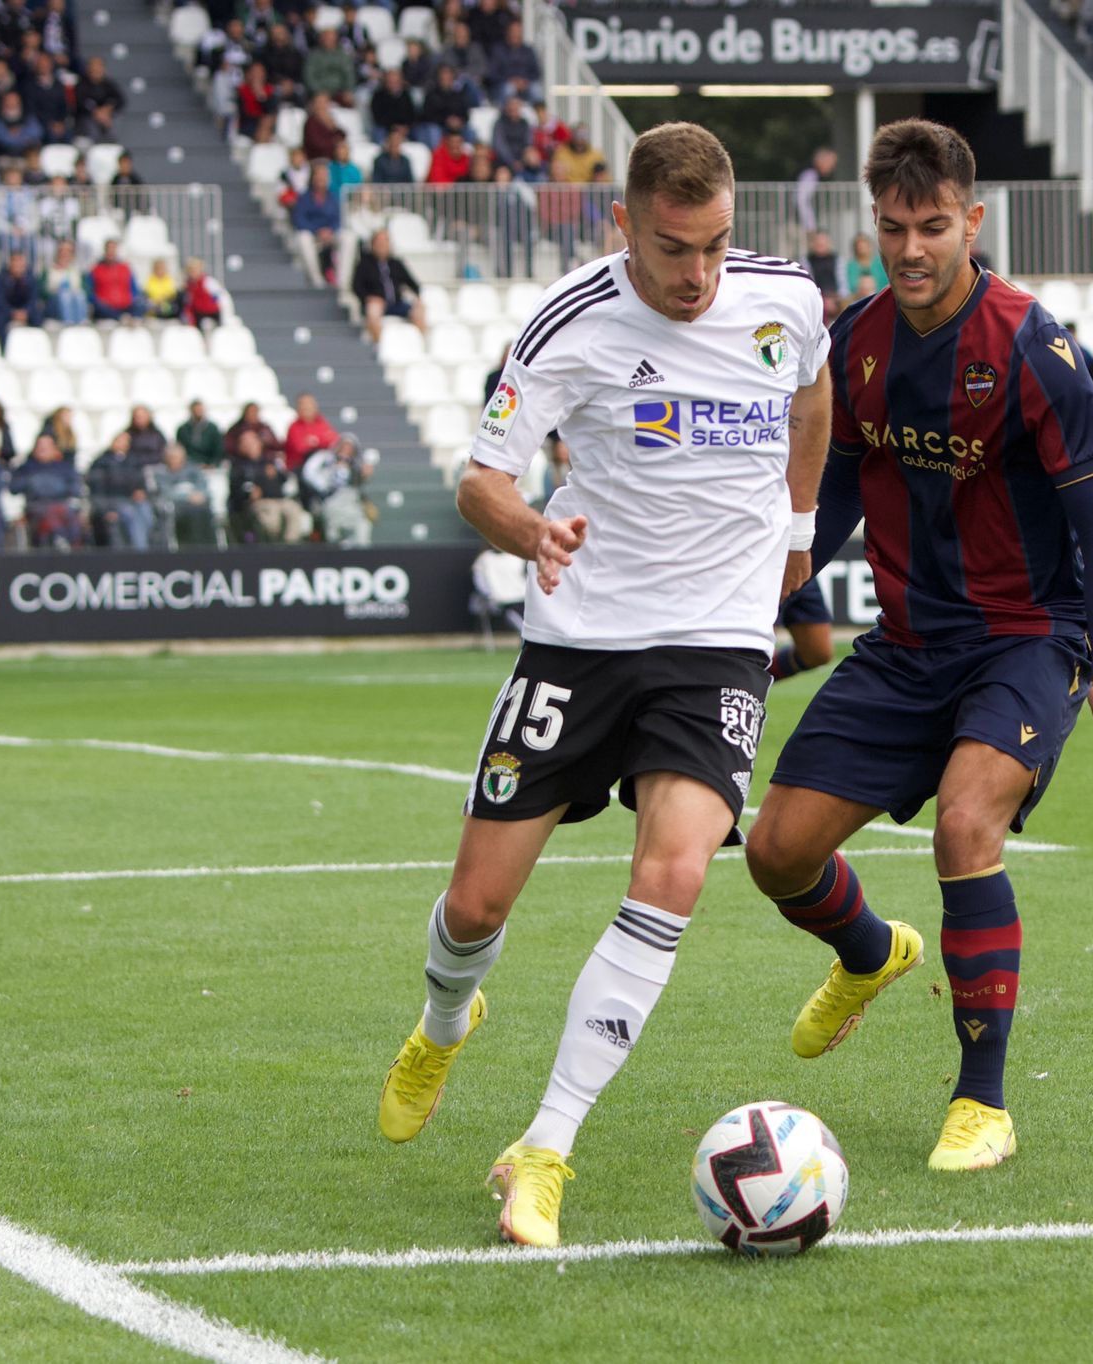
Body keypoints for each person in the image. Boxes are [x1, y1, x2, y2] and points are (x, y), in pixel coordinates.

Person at [372, 123, 834, 1250]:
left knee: (673, 872)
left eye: (715, 244)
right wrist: (533, 529)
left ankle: (545, 1146)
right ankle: (444, 1019)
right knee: (476, 906)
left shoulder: (786, 300)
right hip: (580, 643)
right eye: (674, 248)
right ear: (624, 223)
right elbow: (481, 481)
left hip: (716, 645)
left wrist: (799, 526)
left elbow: (813, 396)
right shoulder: (567, 325)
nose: (698, 273)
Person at [741, 119, 1093, 1176]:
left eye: (930, 226)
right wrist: (763, 593)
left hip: (1025, 639)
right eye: (891, 228)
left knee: (966, 824)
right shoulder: (855, 340)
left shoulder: (1031, 348)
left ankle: (981, 1100)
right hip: (907, 643)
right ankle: (871, 952)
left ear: (972, 222)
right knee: (775, 852)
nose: (909, 249)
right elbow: (831, 495)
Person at [350, 228, 427, 343]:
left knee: (419, 310)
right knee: (373, 311)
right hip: (377, 304)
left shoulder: (396, 263)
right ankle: (380, 345)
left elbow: (413, 284)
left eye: (385, 241)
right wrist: (368, 298)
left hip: (397, 303)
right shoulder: (364, 264)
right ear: (373, 244)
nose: (383, 245)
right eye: (379, 241)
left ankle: (419, 344)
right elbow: (356, 286)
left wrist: (418, 298)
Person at [11, 434, 84, 547]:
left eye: (46, 446)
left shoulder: (64, 468)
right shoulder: (27, 468)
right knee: (50, 513)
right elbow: (14, 488)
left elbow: (76, 489)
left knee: (69, 515)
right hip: (35, 507)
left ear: (55, 449)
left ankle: (72, 545)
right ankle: (60, 541)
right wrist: (33, 482)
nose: (42, 449)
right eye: (40, 446)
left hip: (61, 506)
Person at [299, 433, 373, 544]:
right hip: (328, 503)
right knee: (332, 530)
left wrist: (364, 475)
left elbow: (358, 485)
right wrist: (327, 480)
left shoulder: (355, 466)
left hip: (350, 505)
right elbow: (309, 474)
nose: (346, 451)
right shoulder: (324, 460)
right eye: (344, 447)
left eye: (350, 449)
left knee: (363, 525)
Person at [87, 431, 154, 547]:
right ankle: (140, 552)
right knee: (131, 514)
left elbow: (141, 484)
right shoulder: (101, 463)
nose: (122, 444)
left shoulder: (134, 462)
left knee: (145, 511)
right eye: (119, 440)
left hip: (133, 501)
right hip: (113, 503)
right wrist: (106, 510)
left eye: (126, 441)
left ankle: (146, 548)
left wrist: (141, 491)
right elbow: (96, 490)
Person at [150, 442, 216, 548]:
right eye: (172, 457)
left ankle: (210, 548)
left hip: (198, 503)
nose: (175, 460)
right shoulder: (161, 473)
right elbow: (166, 493)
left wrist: (199, 495)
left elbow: (203, 486)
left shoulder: (193, 469)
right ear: (166, 458)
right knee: (193, 514)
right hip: (176, 506)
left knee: (204, 511)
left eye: (178, 457)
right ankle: (193, 547)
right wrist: (188, 497)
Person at [770, 578, 834, 680]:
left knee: (817, 654)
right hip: (768, 574)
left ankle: (757, 678)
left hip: (806, 572)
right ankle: (748, 684)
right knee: (760, 649)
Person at [87, 238, 139, 321]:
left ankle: (131, 318)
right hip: (106, 307)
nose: (111, 251)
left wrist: (132, 300)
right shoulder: (96, 269)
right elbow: (90, 292)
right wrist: (98, 301)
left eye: (113, 248)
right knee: (98, 307)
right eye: (108, 249)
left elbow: (134, 289)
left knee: (141, 303)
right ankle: (122, 318)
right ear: (105, 250)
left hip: (126, 305)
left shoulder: (125, 268)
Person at [284, 392, 338, 470]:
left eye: (310, 404)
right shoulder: (294, 427)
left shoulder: (322, 423)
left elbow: (334, 441)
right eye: (303, 404)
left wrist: (315, 442)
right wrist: (320, 443)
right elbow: (301, 449)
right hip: (300, 467)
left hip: (322, 464)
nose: (307, 407)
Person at [177, 400, 225, 467]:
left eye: (200, 410)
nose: (198, 412)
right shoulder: (183, 430)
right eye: (195, 410)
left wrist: (213, 463)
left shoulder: (213, 428)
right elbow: (180, 449)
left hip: (208, 464)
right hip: (188, 464)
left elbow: (218, 449)